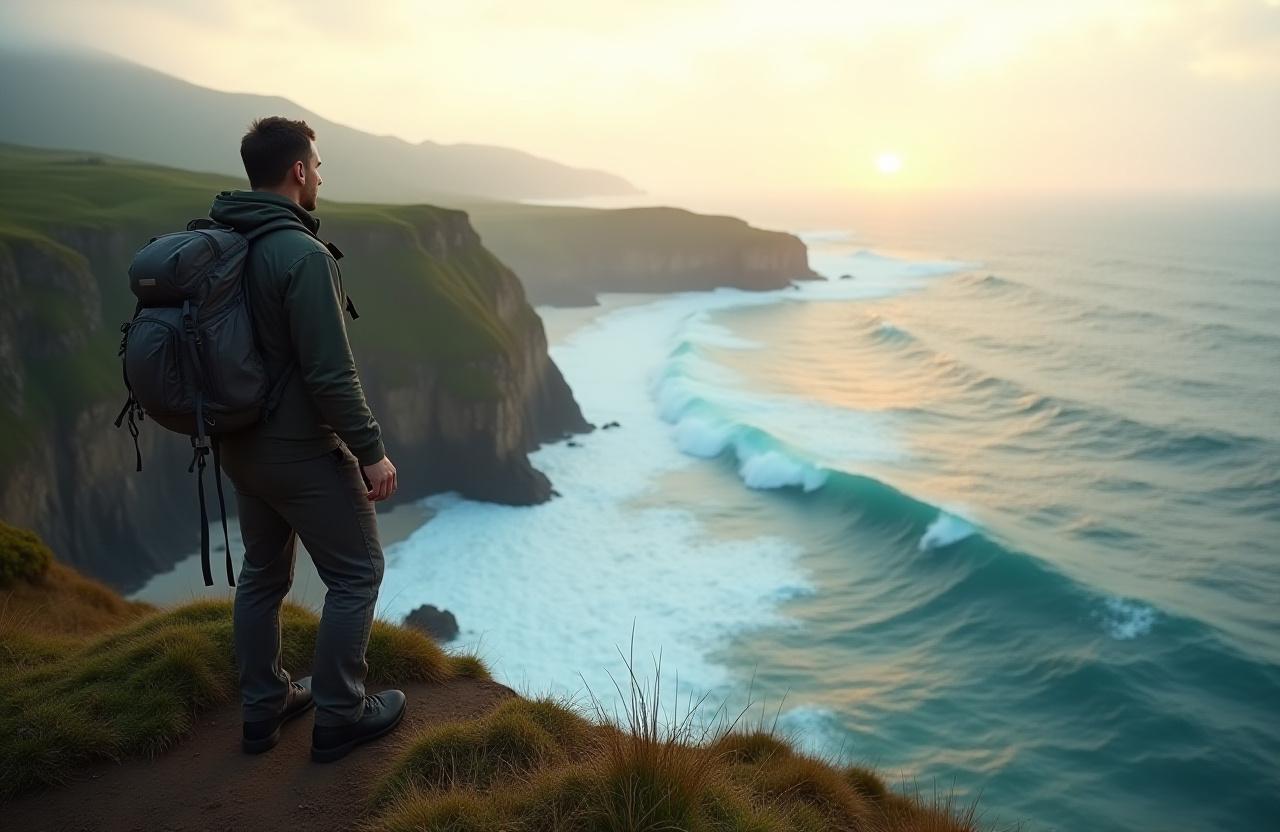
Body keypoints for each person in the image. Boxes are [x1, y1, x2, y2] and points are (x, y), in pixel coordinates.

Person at [207, 116, 405, 762]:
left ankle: (263, 708)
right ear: (297, 171)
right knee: (358, 573)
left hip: (238, 446)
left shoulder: (224, 241)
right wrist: (370, 451)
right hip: (298, 452)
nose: (320, 175)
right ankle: (341, 715)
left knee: (262, 575)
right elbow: (330, 374)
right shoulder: (303, 256)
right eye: (316, 165)